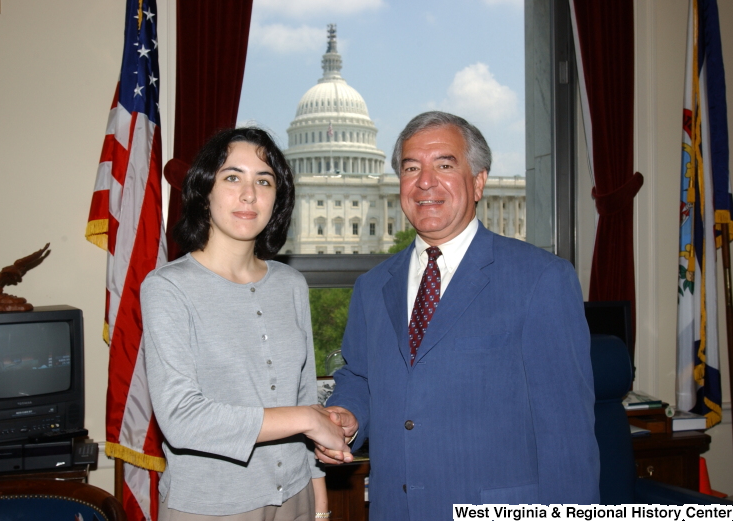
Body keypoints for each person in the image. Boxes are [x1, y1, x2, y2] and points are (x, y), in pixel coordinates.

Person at [316, 111, 600, 518]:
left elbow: (567, 437)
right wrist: (348, 415)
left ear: (479, 181)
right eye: (411, 168)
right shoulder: (373, 286)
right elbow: (359, 376)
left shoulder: (541, 279)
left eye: (444, 165)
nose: (425, 181)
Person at [142, 127, 349, 520]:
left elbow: (304, 392)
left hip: (297, 496)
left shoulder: (291, 284)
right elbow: (182, 419)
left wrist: (318, 497)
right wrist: (307, 419)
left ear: (278, 199)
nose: (249, 194)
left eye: (264, 181)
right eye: (232, 177)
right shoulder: (167, 288)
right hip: (210, 506)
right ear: (205, 191)